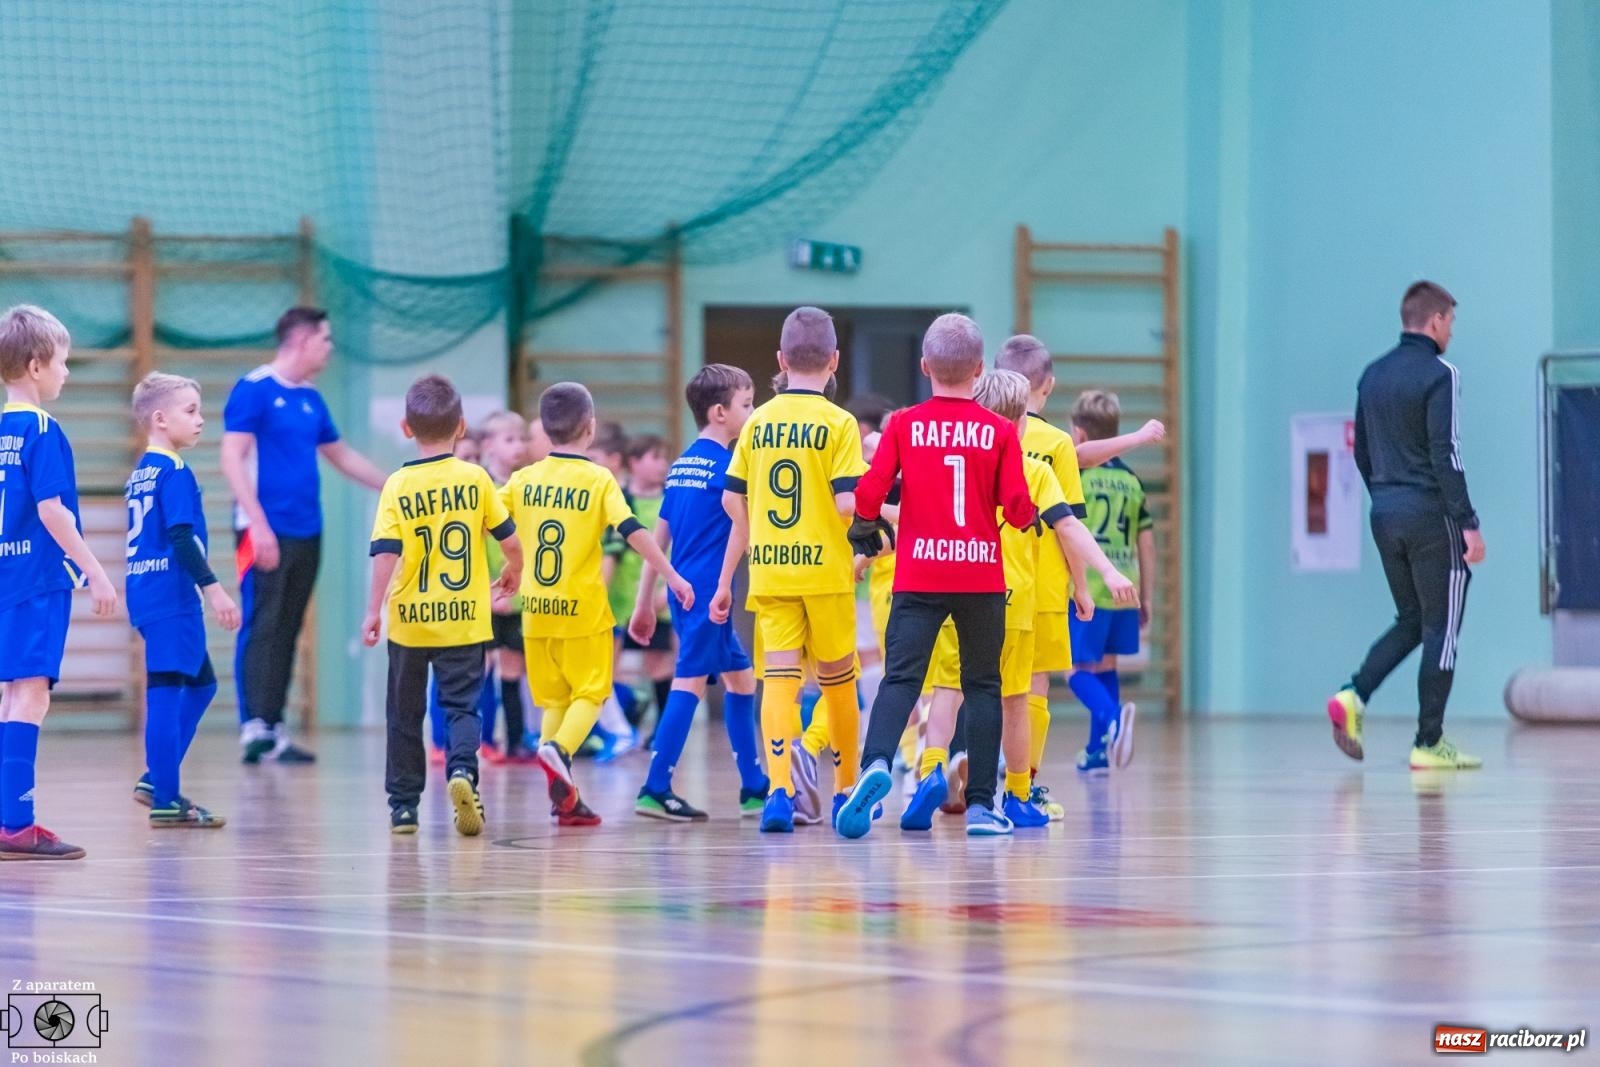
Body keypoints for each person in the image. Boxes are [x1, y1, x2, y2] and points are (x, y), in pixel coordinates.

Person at [837, 313, 1036, 838]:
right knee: (983, 685)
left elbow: (870, 489)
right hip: (980, 578)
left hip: (919, 572)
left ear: (925, 366)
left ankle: (876, 762)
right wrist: (1023, 515)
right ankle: (980, 808)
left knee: (902, 678)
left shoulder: (901, 424)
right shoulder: (998, 430)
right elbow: (1017, 507)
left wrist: (864, 528)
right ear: (978, 370)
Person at [909, 371, 1136, 830]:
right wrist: (1103, 573)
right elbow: (1068, 525)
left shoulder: (950, 462)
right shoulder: (1033, 470)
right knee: (1015, 701)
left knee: (947, 691)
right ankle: (1014, 795)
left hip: (953, 593)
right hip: (1011, 602)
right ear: (1021, 423)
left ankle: (931, 768)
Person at [503, 383, 693, 826]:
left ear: (546, 432)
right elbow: (632, 531)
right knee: (592, 692)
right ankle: (560, 750)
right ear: (589, 429)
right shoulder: (598, 478)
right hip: (582, 608)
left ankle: (562, 795)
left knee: (553, 699)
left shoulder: (523, 478)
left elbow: (491, 521)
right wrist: (671, 574)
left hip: (535, 608)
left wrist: (513, 565)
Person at [710, 307, 867, 834]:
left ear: (780, 361)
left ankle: (779, 794)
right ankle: (846, 792)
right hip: (825, 572)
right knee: (838, 683)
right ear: (835, 361)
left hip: (773, 573)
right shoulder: (840, 423)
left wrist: (761, 536)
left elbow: (731, 499)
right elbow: (848, 504)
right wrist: (887, 511)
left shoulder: (756, 423)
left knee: (777, 684)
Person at [995, 335, 1163, 818]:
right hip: (1047, 584)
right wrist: (1084, 585)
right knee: (1039, 685)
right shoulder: (1055, 445)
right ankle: (1024, 787)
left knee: (982, 687)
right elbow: (1070, 523)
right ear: (1048, 386)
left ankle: (958, 773)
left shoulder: (981, 437)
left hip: (985, 581)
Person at [1328, 281, 1485, 770]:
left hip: (1385, 513)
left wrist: (1386, 498)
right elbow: (1447, 454)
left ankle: (1354, 694)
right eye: (1451, 323)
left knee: (1414, 620)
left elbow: (1361, 450)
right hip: (1431, 516)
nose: (1452, 333)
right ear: (1436, 320)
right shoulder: (1442, 374)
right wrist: (1469, 523)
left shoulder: (1372, 375)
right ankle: (1428, 742)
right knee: (1442, 628)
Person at [223, 306, 385, 764]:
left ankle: (273, 729)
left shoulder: (311, 399)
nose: (330, 349)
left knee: (290, 626)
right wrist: (257, 521)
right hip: (262, 531)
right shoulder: (254, 390)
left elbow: (342, 456)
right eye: (325, 340)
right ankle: (252, 726)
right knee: (263, 622)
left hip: (307, 529)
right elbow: (232, 458)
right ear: (301, 341)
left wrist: (396, 485)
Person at [362, 375, 522, 836]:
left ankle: (404, 808)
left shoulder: (397, 484)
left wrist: (374, 610)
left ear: (406, 428)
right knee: (461, 708)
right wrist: (514, 570)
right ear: (462, 427)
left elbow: (385, 553)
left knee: (404, 714)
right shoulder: (475, 479)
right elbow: (509, 538)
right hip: (465, 620)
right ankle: (462, 772)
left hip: (410, 620)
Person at [0, 305, 117, 859]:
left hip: (5, 576)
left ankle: (8, 816)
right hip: (37, 577)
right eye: (64, 362)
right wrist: (95, 571)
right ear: (36, 365)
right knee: (31, 696)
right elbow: (52, 510)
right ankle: (16, 824)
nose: (67, 373)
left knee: (9, 697)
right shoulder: (43, 429)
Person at [628, 364, 768, 821]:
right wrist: (724, 586)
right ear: (720, 412)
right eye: (747, 404)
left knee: (741, 680)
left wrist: (647, 597)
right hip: (709, 594)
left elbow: (659, 533)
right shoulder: (730, 466)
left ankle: (753, 787)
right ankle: (656, 786)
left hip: (684, 590)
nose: (754, 411)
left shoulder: (684, 461)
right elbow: (738, 534)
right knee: (688, 681)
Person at [126, 372, 242, 827]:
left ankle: (158, 778)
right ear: (160, 419)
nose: (200, 420)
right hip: (171, 595)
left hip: (147, 591)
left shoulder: (142, 471)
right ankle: (166, 798)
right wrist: (213, 588)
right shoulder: (174, 470)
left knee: (201, 684)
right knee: (167, 693)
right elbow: (179, 534)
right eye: (190, 411)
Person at [1068, 389, 1156, 773]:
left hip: (1089, 584)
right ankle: (1098, 751)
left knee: (1076, 673)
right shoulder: (1133, 482)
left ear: (1083, 437)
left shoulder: (1078, 473)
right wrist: (1146, 597)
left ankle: (1115, 718)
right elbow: (1147, 544)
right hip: (1126, 586)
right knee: (1106, 668)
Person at [480, 410, 534, 761]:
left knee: (513, 670)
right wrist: (487, 590)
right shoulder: (482, 487)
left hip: (517, 599)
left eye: (521, 439)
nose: (518, 447)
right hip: (485, 596)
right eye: (509, 439)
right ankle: (482, 741)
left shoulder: (526, 486)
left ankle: (515, 741)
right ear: (488, 445)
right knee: (481, 667)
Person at [612, 434, 676, 727]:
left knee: (659, 664)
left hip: (659, 600)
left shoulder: (671, 498)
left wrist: (669, 587)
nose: (663, 464)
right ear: (634, 462)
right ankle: (622, 727)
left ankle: (661, 730)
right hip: (620, 600)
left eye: (665, 457)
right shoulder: (621, 499)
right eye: (655, 457)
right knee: (609, 669)